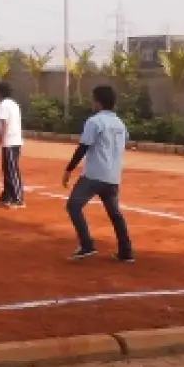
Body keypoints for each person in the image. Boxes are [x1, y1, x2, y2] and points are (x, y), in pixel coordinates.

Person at [63, 85, 134, 262]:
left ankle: (87, 245)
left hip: (94, 175)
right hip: (113, 176)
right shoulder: (119, 123)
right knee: (115, 213)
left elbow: (83, 147)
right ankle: (126, 252)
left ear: (98, 101)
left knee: (74, 205)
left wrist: (69, 169)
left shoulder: (94, 121)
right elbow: (123, 143)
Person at [0, 81, 25, 208]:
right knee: (7, 170)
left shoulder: (4, 105)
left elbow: (4, 125)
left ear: (0, 92)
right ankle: (7, 195)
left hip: (10, 142)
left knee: (12, 170)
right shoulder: (14, 104)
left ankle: (18, 199)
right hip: (14, 141)